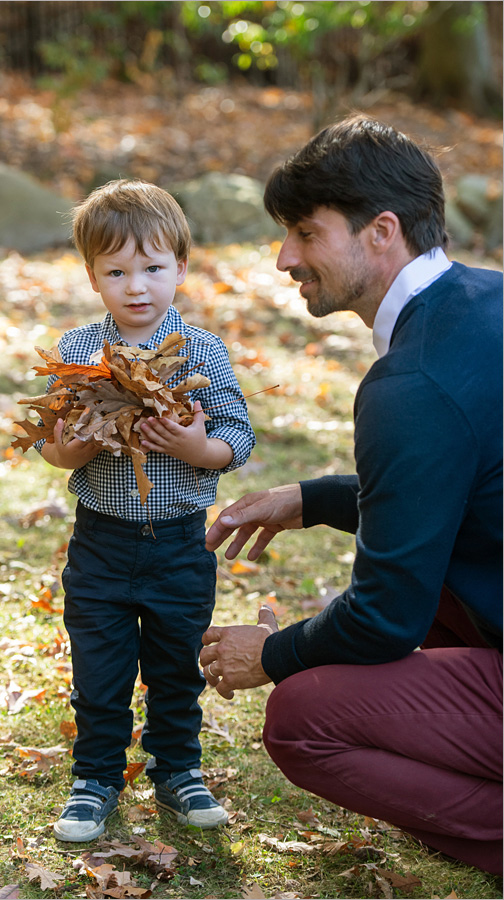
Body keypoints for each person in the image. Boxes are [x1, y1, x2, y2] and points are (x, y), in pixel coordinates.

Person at [200, 116, 503, 875]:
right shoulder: (485, 300)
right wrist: (318, 498)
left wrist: (271, 653)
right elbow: (459, 492)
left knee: (303, 718)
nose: (284, 258)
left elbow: (383, 619)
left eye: (306, 232)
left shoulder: (413, 384)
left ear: (382, 232)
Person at [35, 179, 256, 841]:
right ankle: (96, 775)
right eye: (118, 272)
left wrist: (198, 445)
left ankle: (177, 769)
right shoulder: (79, 352)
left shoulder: (203, 352)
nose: (138, 286)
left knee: (174, 663)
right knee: (99, 667)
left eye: (154, 268)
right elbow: (52, 446)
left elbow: (238, 437)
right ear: (93, 277)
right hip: (101, 541)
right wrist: (69, 449)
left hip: (180, 543)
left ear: (180, 269)